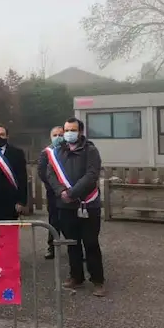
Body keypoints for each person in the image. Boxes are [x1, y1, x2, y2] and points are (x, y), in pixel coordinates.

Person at [46, 117, 105, 297]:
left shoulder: (91, 150)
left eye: (73, 130)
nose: (69, 134)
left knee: (91, 243)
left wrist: (72, 193)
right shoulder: (58, 152)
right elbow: (50, 173)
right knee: (72, 243)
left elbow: (91, 174)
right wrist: (61, 191)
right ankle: (76, 276)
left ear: (80, 132)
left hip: (88, 204)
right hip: (65, 206)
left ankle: (97, 281)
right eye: (66, 130)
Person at [37, 126, 64, 259]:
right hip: (53, 193)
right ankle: (52, 247)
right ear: (51, 137)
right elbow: (42, 173)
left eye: (61, 134)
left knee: (72, 222)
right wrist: (56, 188)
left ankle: (75, 248)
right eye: (55, 135)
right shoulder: (46, 153)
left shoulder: (69, 151)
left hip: (70, 193)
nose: (58, 137)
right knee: (54, 220)